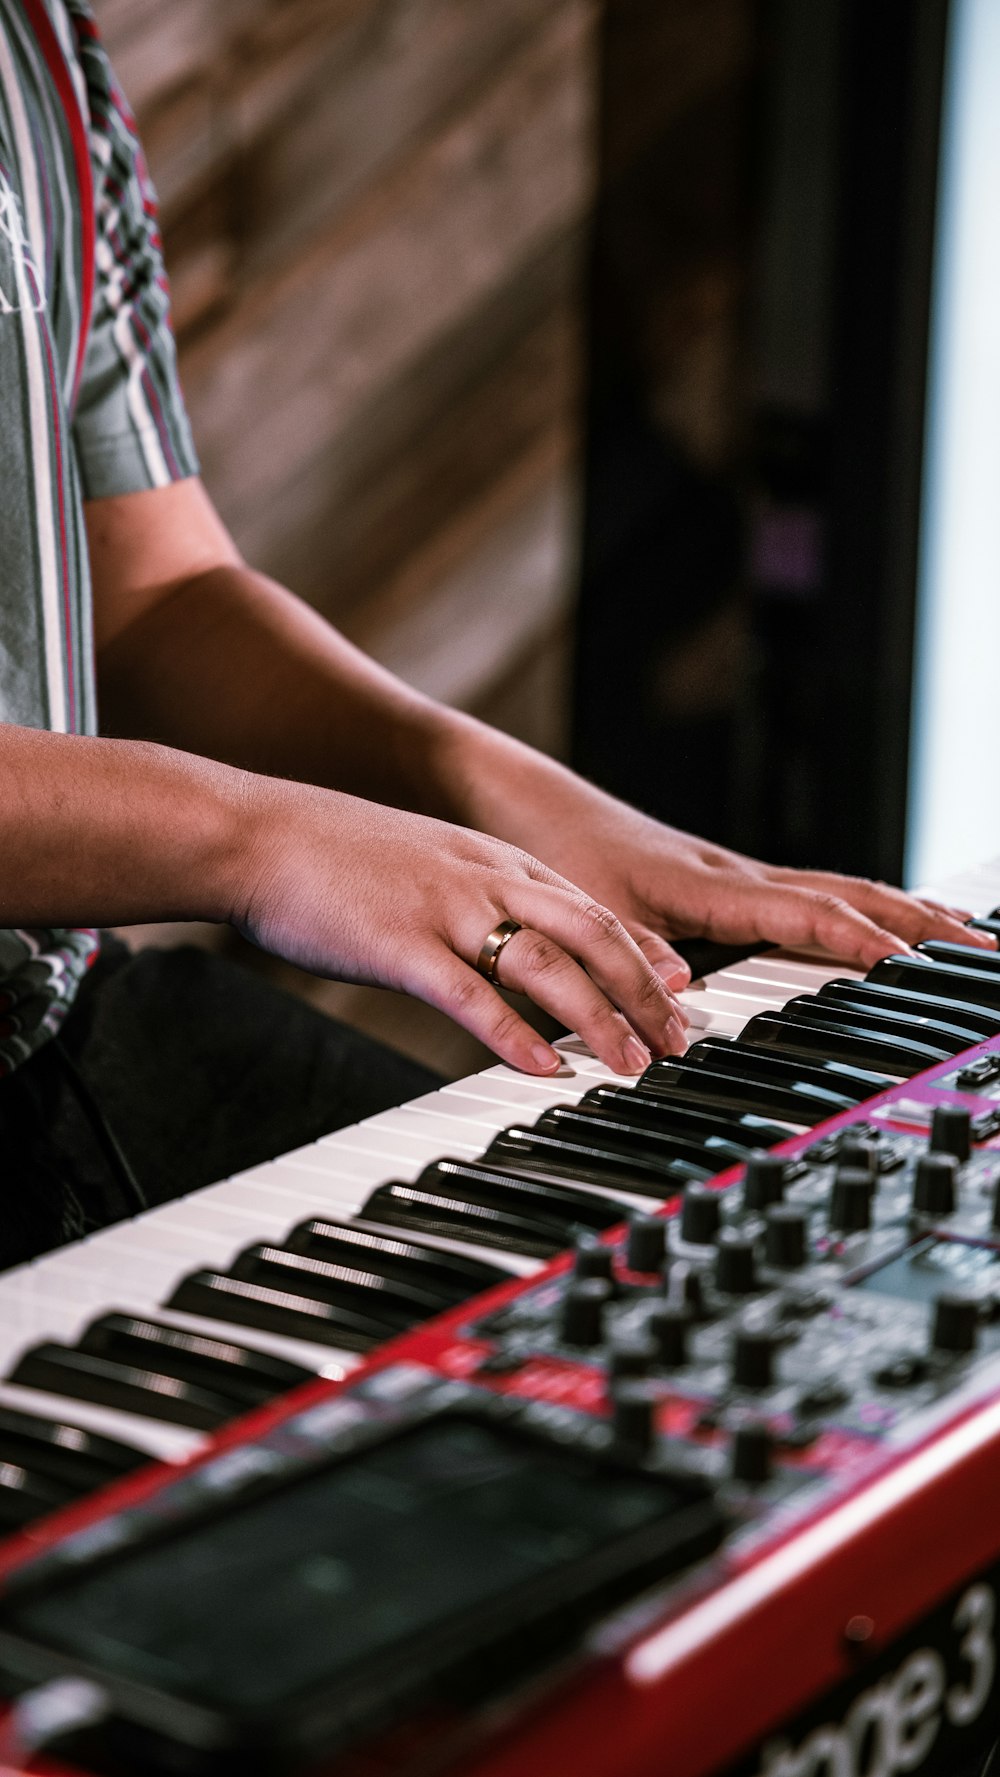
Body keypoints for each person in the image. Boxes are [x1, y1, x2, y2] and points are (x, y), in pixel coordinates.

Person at [0, 0, 990, 1268]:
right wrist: (254, 840)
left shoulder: (40, 46)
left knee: (696, 1275)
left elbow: (152, 593)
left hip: (53, 1009)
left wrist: (509, 797)